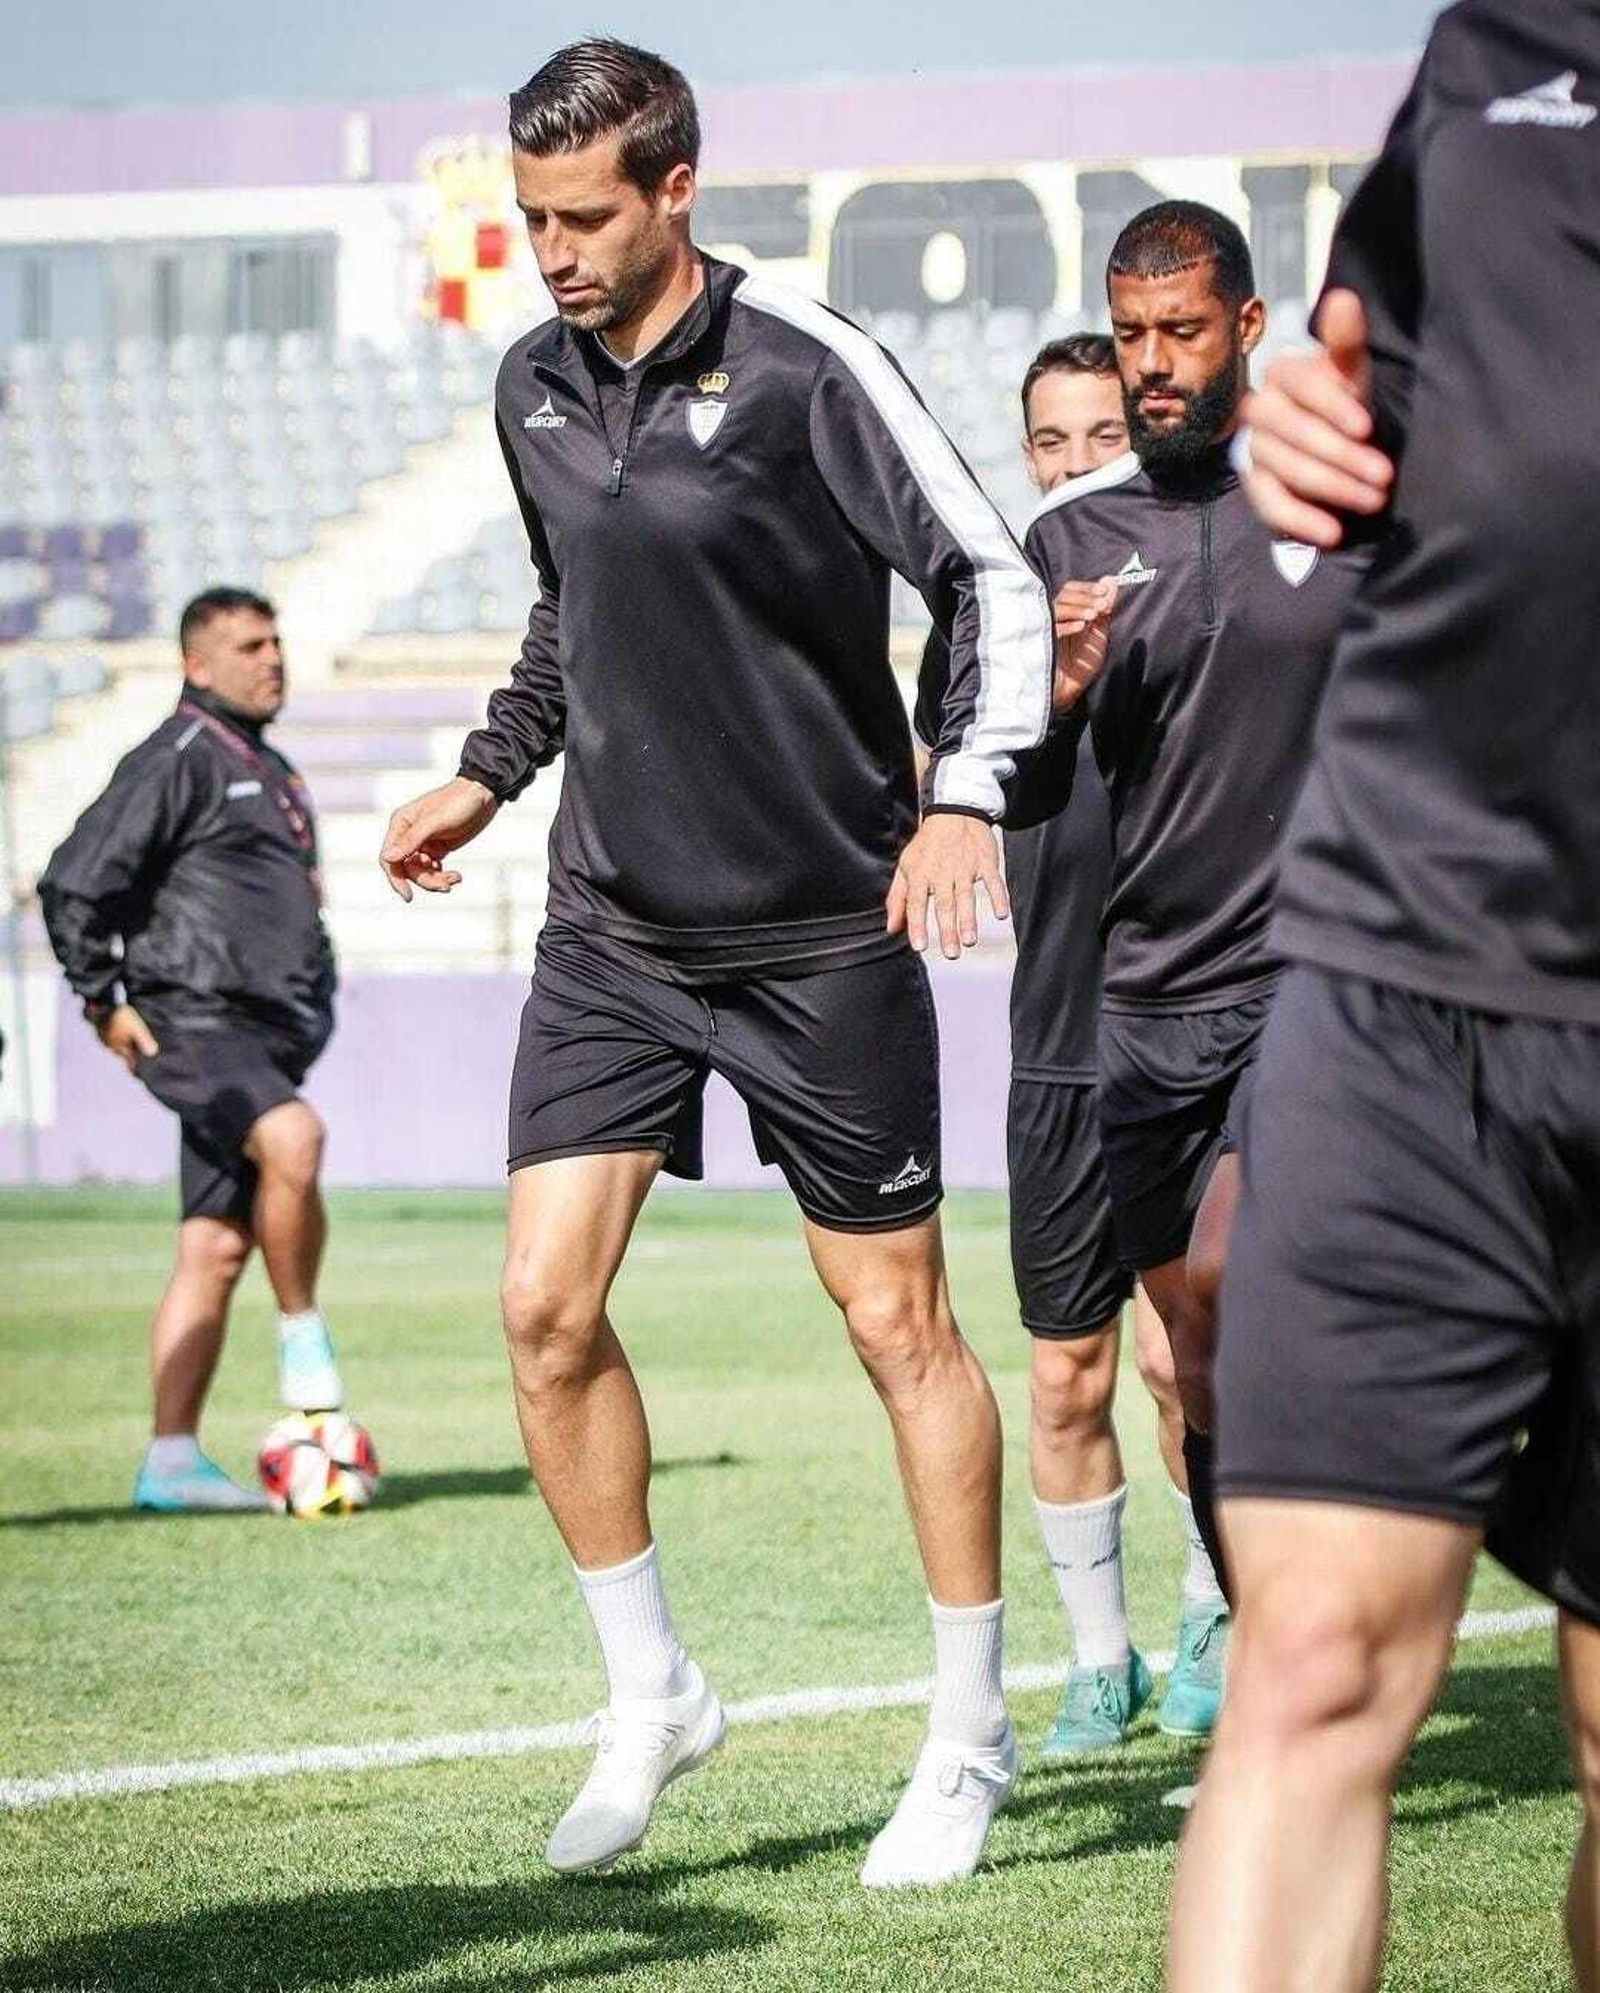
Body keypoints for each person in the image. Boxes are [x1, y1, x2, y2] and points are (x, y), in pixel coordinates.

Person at [379, 38, 1054, 1889]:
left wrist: (963, 797)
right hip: (613, 928)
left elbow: (987, 575)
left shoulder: (808, 367)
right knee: (540, 1307)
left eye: (584, 215)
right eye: (529, 219)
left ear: (678, 188)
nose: (554, 252)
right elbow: (568, 618)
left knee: (897, 1324)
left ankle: (971, 1728)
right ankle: (651, 1689)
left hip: (823, 929)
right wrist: (485, 773)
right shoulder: (529, 385)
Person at [1168, 7, 1600, 1987]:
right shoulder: (1489, 41)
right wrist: (1295, 430)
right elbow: (1360, 392)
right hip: (1400, 942)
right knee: (1314, 1656)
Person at [1011, 202, 1369, 1636]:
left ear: (1247, 330)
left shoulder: (1336, 499)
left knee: (1238, 1284)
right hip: (1141, 1010)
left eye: (1181, 333)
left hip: (1313, 988)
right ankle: (1268, 1627)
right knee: (1194, 1356)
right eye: (1133, 336)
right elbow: (1005, 770)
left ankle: (1315, 1643)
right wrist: (1058, 692)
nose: (1153, 365)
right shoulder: (1065, 541)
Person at [918, 335, 1213, 1754]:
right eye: (1054, 437)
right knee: (1064, 1375)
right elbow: (952, 763)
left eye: (1107, 429)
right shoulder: (1004, 603)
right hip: (1054, 1052)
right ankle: (1104, 1660)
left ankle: (1218, 1611)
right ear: (1025, 452)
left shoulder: (1195, 581)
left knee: (1183, 1362)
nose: (1082, 456)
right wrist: (1062, 676)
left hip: (1180, 1025)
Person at [39, 587, 343, 1513]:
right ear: (196, 664)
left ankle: (170, 1461)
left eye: (278, 641)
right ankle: (304, 1346)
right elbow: (73, 880)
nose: (273, 658)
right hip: (196, 1020)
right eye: (250, 645)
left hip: (266, 1033)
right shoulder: (177, 754)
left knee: (212, 1247)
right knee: (295, 1140)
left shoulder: (272, 766)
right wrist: (102, 1000)